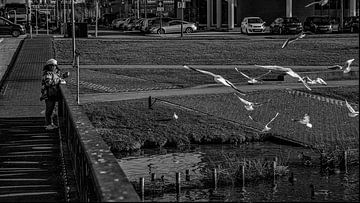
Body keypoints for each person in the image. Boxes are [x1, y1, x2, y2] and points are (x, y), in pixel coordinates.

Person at [40, 59, 69, 130]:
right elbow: (48, 83)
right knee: (49, 110)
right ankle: (48, 124)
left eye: (54, 66)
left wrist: (63, 76)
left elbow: (56, 79)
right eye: (51, 66)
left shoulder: (55, 73)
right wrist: (59, 80)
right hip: (49, 94)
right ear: (48, 66)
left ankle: (51, 123)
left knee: (52, 109)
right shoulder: (47, 74)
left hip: (53, 94)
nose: (53, 67)